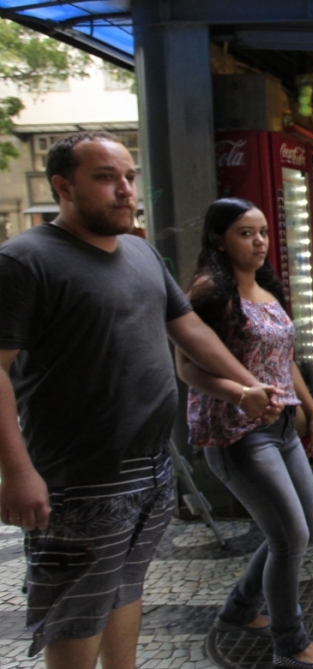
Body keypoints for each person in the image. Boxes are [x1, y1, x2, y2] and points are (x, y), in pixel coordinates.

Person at [0, 131, 280, 668]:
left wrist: (247, 385)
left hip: (150, 467)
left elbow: (188, 330)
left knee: (126, 587)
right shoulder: (25, 260)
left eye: (128, 176)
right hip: (78, 476)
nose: (125, 190)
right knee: (77, 610)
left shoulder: (138, 251)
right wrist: (16, 472)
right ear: (62, 186)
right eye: (105, 178)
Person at [175, 198, 313, 669]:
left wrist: (312, 410)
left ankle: (240, 609)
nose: (259, 243)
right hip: (237, 433)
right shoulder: (210, 292)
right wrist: (237, 393)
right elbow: (186, 368)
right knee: (289, 536)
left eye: (263, 232)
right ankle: (290, 644)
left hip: (282, 425)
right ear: (219, 239)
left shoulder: (266, 288)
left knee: (305, 530)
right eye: (245, 233)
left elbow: (283, 359)